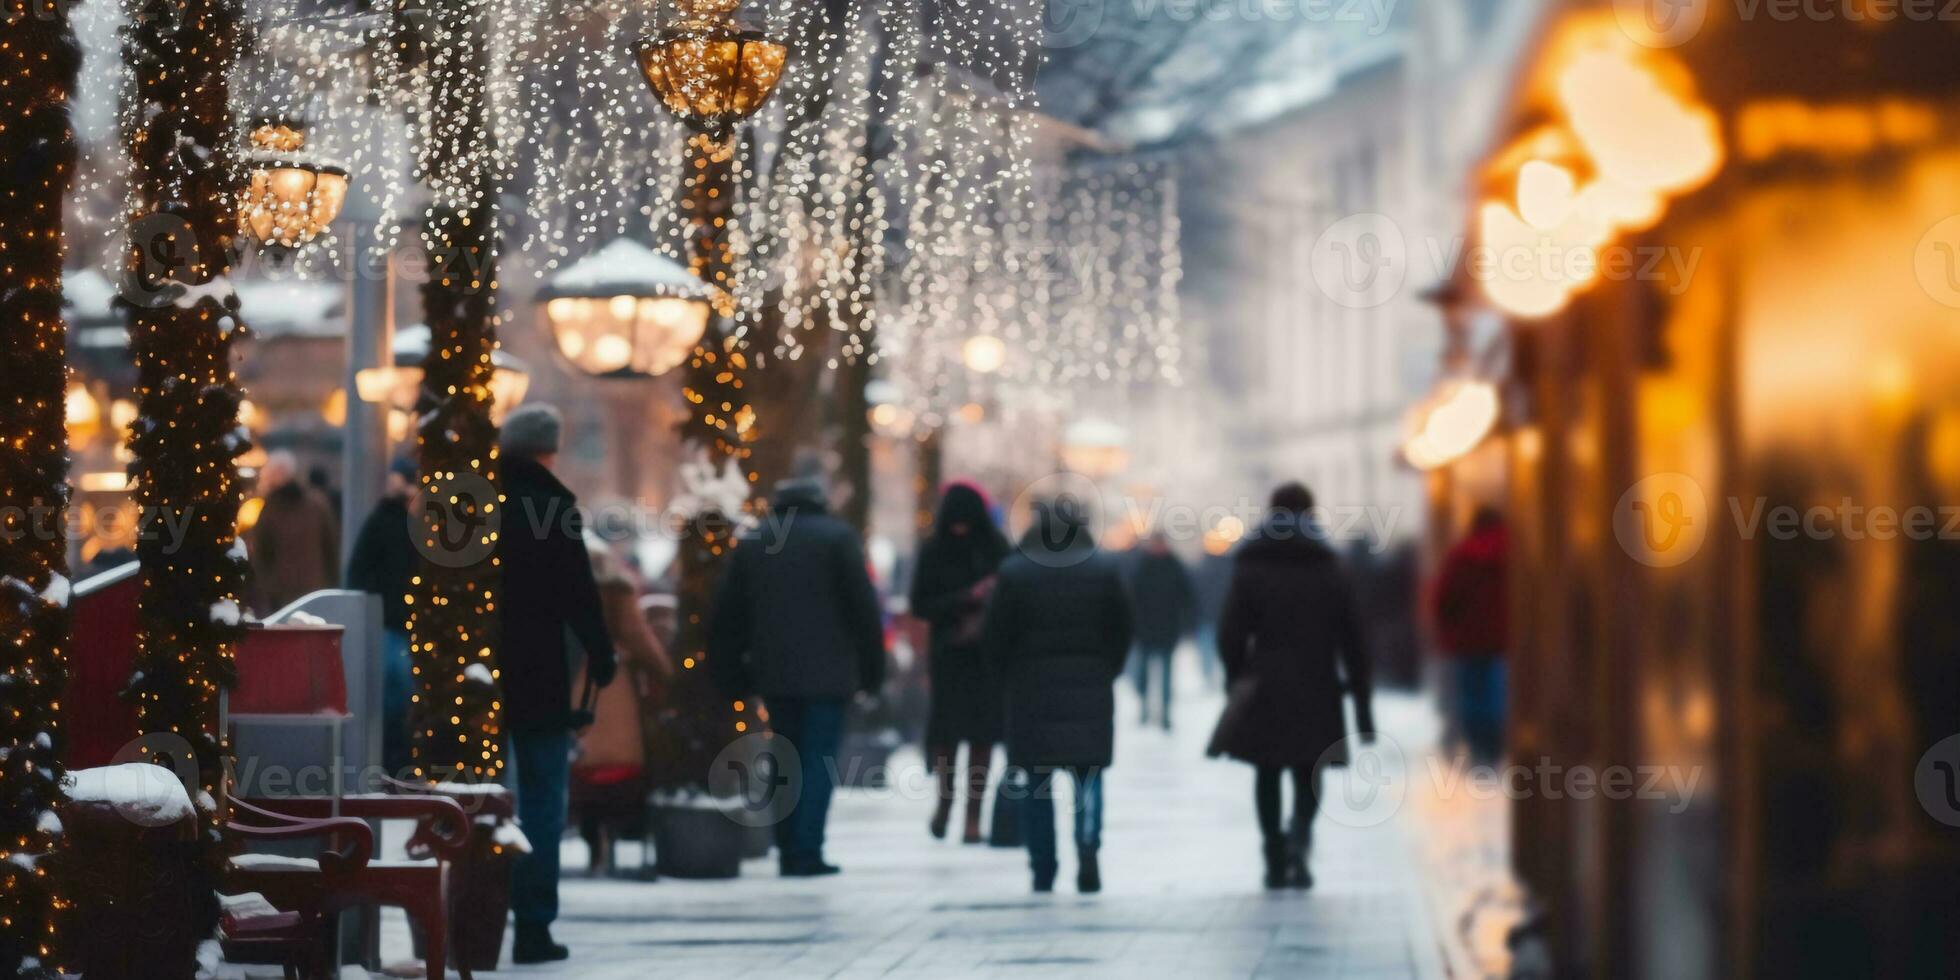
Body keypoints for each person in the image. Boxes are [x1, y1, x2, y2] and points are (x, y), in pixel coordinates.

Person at [710, 469, 886, 877]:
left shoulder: (755, 540)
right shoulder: (838, 538)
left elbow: (729, 614)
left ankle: (787, 846)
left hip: (773, 672)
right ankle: (807, 850)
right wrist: (873, 672)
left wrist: (730, 673)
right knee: (817, 760)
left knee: (784, 757)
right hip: (830, 675)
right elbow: (864, 611)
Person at [495, 404, 618, 964]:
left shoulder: (473, 503)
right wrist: (600, 651)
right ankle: (533, 927)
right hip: (540, 672)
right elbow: (579, 595)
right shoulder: (555, 507)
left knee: (483, 801)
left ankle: (475, 919)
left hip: (477, 674)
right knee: (543, 798)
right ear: (549, 451)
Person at [1215, 483, 1375, 890]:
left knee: (1266, 770)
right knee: (1310, 768)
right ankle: (1300, 838)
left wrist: (1236, 678)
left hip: (1265, 681)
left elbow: (1230, 633)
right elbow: (1353, 638)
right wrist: (1361, 705)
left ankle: (1272, 852)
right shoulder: (1328, 567)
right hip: (1317, 681)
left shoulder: (1251, 565)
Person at [983, 497, 1134, 894]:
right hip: (1090, 688)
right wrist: (1107, 670)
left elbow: (995, 638)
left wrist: (1008, 676)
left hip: (1031, 693)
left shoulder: (1015, 573)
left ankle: (1043, 867)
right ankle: (1087, 846)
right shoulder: (1103, 570)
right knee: (1088, 776)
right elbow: (1122, 629)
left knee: (1036, 782)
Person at [909, 482, 1010, 844]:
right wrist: (967, 597)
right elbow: (920, 603)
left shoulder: (997, 548)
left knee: (982, 740)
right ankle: (945, 803)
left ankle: (973, 816)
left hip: (986, 657)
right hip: (949, 655)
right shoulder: (933, 551)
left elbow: (1012, 597)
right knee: (946, 739)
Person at [571, 537, 673, 877]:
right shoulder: (618, 591)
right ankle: (613, 837)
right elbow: (637, 635)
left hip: (575, 681)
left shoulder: (564, 586)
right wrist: (664, 672)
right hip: (614, 683)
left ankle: (593, 844)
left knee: (584, 763)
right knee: (620, 762)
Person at [345, 456, 419, 778]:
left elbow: (357, 571)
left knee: (395, 693)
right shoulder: (391, 522)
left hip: (393, 620)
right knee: (397, 692)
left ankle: (392, 761)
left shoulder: (387, 521)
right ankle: (395, 761)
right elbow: (359, 572)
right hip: (393, 622)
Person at [1429, 506, 1509, 764]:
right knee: (1499, 696)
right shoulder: (1515, 555)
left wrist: (1449, 630)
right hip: (1504, 640)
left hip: (1468, 641)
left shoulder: (1460, 556)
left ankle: (1479, 747)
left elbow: (1444, 599)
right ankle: (1497, 746)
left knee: (1472, 697)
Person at [246, 450, 340, 614]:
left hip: (281, 597)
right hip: (315, 592)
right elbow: (331, 549)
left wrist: (267, 590)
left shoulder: (269, 509)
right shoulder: (318, 504)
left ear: (280, 474)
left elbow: (261, 555)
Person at [1128, 531, 1195, 730]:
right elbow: (1132, 597)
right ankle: (1145, 708)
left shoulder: (1174, 565)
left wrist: (1185, 622)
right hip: (1145, 629)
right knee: (1142, 675)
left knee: (1166, 675)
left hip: (1167, 628)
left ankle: (1165, 713)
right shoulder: (1142, 566)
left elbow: (1186, 597)